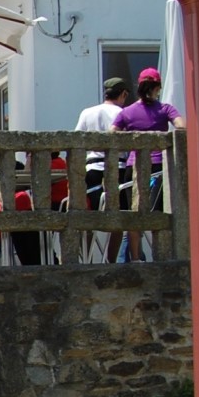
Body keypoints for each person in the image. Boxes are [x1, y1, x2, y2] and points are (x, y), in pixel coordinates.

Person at [113, 67, 186, 260]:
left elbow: (111, 133)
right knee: (158, 213)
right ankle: (160, 258)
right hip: (157, 169)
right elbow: (181, 126)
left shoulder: (126, 112)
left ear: (139, 86)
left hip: (132, 167)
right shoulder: (165, 109)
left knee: (134, 213)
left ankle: (136, 258)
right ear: (158, 87)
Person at [75, 76, 129, 262]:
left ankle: (87, 258)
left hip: (91, 169)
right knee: (117, 219)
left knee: (89, 218)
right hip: (118, 169)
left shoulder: (87, 113)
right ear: (123, 94)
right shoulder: (123, 113)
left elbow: (76, 142)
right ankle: (111, 261)